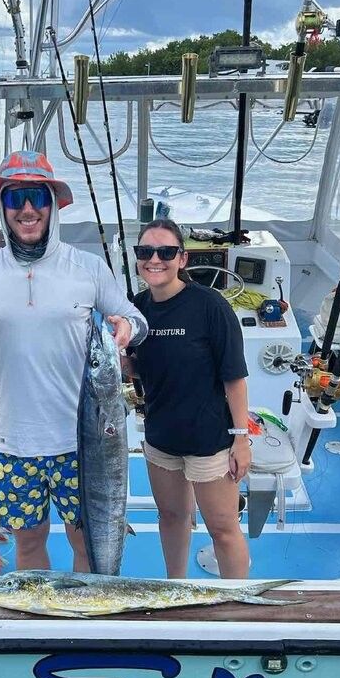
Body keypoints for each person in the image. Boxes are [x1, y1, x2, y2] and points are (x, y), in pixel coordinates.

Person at [0, 150, 147, 572]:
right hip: (10, 443)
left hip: (84, 440)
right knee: (29, 546)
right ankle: (39, 612)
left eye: (37, 197)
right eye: (15, 198)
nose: (27, 209)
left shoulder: (87, 268)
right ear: (2, 208)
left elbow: (137, 321)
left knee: (86, 544)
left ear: (52, 204)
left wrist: (125, 327)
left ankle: (87, 610)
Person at [127, 218, 251, 579]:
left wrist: (241, 440)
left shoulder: (210, 306)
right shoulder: (136, 308)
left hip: (208, 443)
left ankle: (238, 603)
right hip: (161, 438)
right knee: (171, 517)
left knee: (223, 529)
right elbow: (143, 367)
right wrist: (116, 362)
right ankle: (176, 588)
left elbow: (234, 378)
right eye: (146, 251)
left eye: (166, 252)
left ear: (182, 259)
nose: (155, 259)